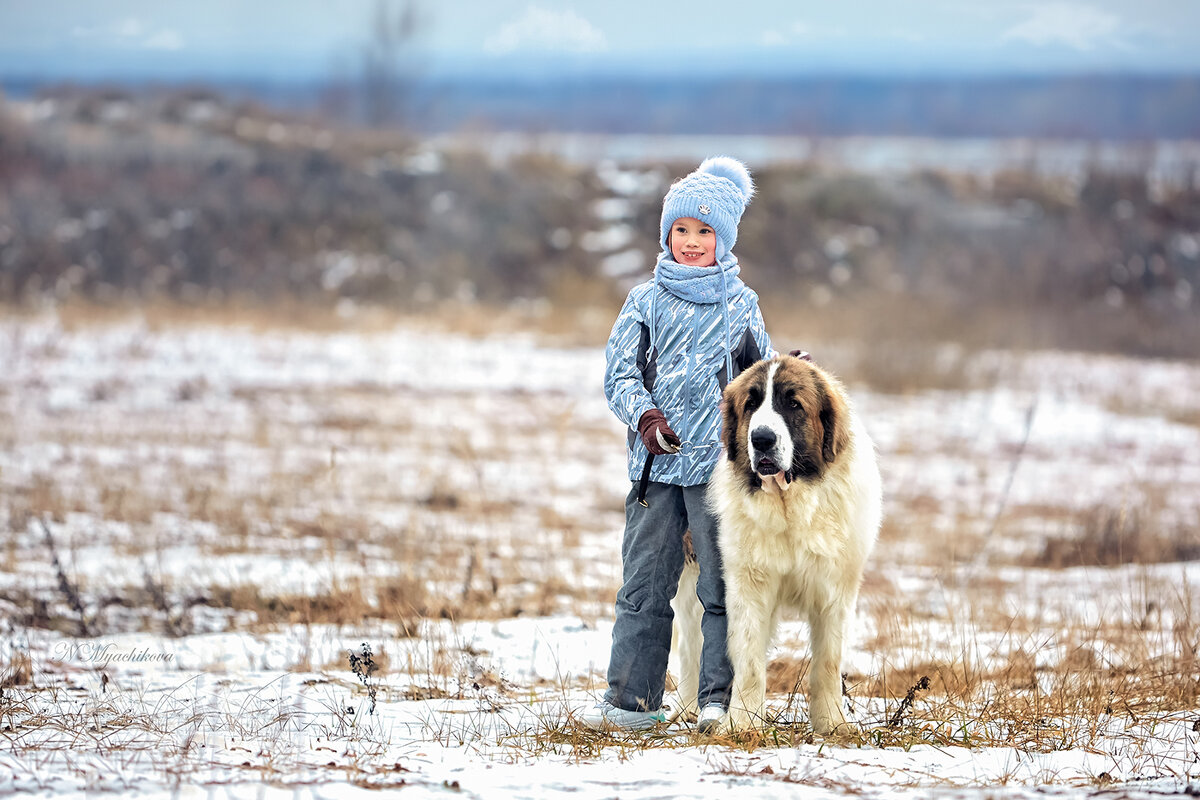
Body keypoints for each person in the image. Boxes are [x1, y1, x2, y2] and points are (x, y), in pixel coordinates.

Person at [583, 157, 776, 732]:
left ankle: (718, 700)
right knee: (644, 586)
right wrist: (644, 415)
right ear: (667, 235)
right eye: (681, 230)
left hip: (719, 474)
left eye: (705, 231)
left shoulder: (741, 306)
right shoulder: (645, 301)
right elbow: (619, 374)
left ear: (725, 238)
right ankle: (631, 704)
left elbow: (759, 380)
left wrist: (789, 372)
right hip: (655, 470)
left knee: (722, 587)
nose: (691, 243)